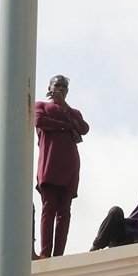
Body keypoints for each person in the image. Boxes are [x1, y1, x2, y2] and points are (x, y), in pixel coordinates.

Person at [34, 74, 89, 258]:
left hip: (70, 163)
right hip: (49, 162)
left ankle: (58, 254)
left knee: (65, 211)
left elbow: (84, 128)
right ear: (49, 87)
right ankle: (45, 253)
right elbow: (40, 121)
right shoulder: (40, 105)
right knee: (48, 208)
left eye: (64, 86)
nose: (61, 89)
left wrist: (64, 110)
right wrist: (66, 127)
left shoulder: (73, 111)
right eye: (57, 85)